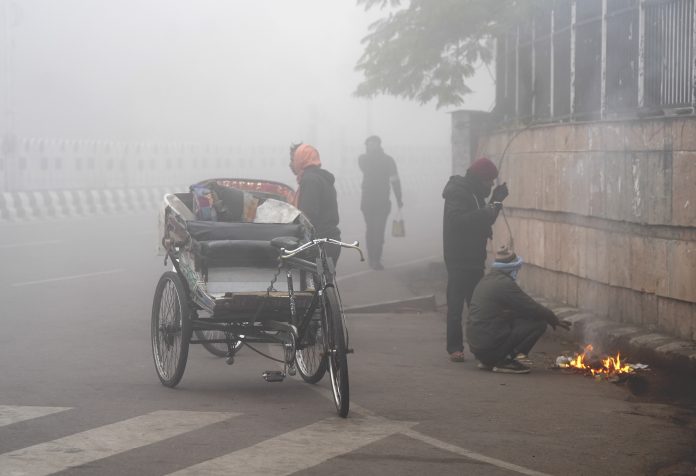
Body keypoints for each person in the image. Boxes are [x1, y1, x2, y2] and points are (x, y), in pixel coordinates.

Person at [442, 157, 508, 362]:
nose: (490, 185)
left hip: (475, 257)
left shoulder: (477, 194)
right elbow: (457, 221)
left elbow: (484, 219)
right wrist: (488, 209)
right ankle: (454, 347)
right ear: (480, 178)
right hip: (459, 257)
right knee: (455, 305)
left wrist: (496, 203)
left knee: (477, 306)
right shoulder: (458, 191)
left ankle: (482, 346)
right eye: (489, 181)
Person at [466, 246, 571, 373]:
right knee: (539, 324)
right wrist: (552, 318)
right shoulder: (504, 284)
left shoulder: (487, 280)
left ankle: (491, 360)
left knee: (523, 317)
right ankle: (507, 360)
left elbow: (520, 309)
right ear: (511, 268)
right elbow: (530, 306)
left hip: (479, 348)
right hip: (489, 345)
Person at [289, 143, 342, 264]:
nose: (290, 164)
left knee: (314, 281)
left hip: (319, 244)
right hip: (329, 241)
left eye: (293, 159)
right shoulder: (320, 177)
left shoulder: (310, 180)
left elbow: (307, 215)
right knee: (325, 280)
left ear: (301, 159)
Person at [358, 135, 403, 270]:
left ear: (379, 145)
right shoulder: (365, 159)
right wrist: (398, 199)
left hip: (380, 201)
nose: (369, 146)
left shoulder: (384, 160)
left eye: (372, 144)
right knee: (373, 230)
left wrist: (399, 198)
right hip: (370, 202)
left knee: (376, 230)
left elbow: (395, 181)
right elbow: (367, 166)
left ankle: (374, 259)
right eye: (368, 144)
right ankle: (373, 259)